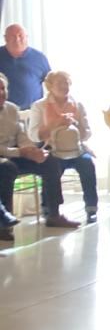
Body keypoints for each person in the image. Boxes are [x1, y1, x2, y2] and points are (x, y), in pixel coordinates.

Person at [0, 73, 77, 231]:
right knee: (7, 167)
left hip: (15, 153)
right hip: (6, 157)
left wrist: (31, 150)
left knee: (50, 160)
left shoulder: (12, 109)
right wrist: (20, 152)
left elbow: (21, 134)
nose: (1, 93)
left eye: (3, 89)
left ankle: (53, 214)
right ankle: (4, 223)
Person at [28, 71, 98, 224]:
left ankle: (91, 208)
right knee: (50, 164)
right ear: (49, 86)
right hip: (51, 148)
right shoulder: (39, 106)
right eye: (59, 83)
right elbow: (33, 136)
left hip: (75, 149)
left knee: (87, 163)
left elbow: (87, 133)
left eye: (66, 82)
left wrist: (76, 125)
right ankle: (50, 209)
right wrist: (56, 123)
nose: (63, 86)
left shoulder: (77, 105)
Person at [0, 24, 52, 109]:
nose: (17, 39)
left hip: (32, 112)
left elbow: (51, 83)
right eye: (13, 36)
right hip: (3, 112)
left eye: (20, 35)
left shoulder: (39, 58)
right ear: (5, 38)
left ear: (27, 37)